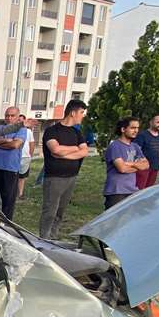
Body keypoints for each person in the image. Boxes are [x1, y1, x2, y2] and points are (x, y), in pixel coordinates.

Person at [38, 99, 90, 238]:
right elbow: (55, 150)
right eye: (81, 112)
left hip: (71, 177)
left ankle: (53, 237)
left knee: (60, 212)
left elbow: (84, 152)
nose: (82, 116)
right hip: (54, 178)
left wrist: (65, 154)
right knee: (50, 211)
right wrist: (74, 149)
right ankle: (44, 238)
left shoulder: (77, 133)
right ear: (72, 113)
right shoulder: (52, 131)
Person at [0, 106, 28, 219]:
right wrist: (6, 141)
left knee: (7, 201)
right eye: (7, 115)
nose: (9, 118)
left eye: (12, 115)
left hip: (10, 169)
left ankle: (6, 226)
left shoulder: (21, 130)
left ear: (18, 117)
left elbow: (15, 145)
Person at [103, 116, 148, 209]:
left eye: (137, 128)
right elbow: (122, 169)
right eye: (133, 128)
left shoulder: (135, 146)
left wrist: (131, 164)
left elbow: (146, 165)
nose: (136, 131)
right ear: (123, 129)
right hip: (116, 191)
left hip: (132, 190)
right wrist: (137, 167)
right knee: (114, 222)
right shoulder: (115, 146)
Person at [135, 114, 159, 189]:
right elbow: (136, 150)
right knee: (139, 191)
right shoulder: (142, 135)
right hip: (143, 169)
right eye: (158, 122)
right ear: (151, 122)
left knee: (148, 191)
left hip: (155, 168)